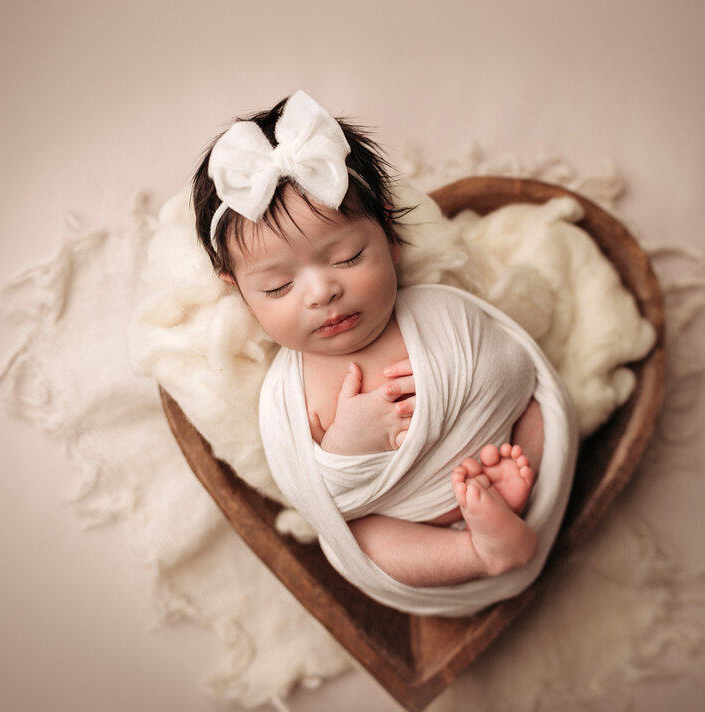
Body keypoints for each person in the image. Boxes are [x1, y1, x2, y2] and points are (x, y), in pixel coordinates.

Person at [190, 91, 575, 611]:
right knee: (365, 543)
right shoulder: (287, 393)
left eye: (348, 257)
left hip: (499, 452)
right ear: (238, 291)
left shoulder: (438, 309)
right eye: (278, 287)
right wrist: (349, 445)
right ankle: (479, 550)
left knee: (542, 410)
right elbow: (319, 496)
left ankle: (504, 493)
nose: (321, 292)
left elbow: (513, 369)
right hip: (405, 520)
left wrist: (476, 392)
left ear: (391, 238)